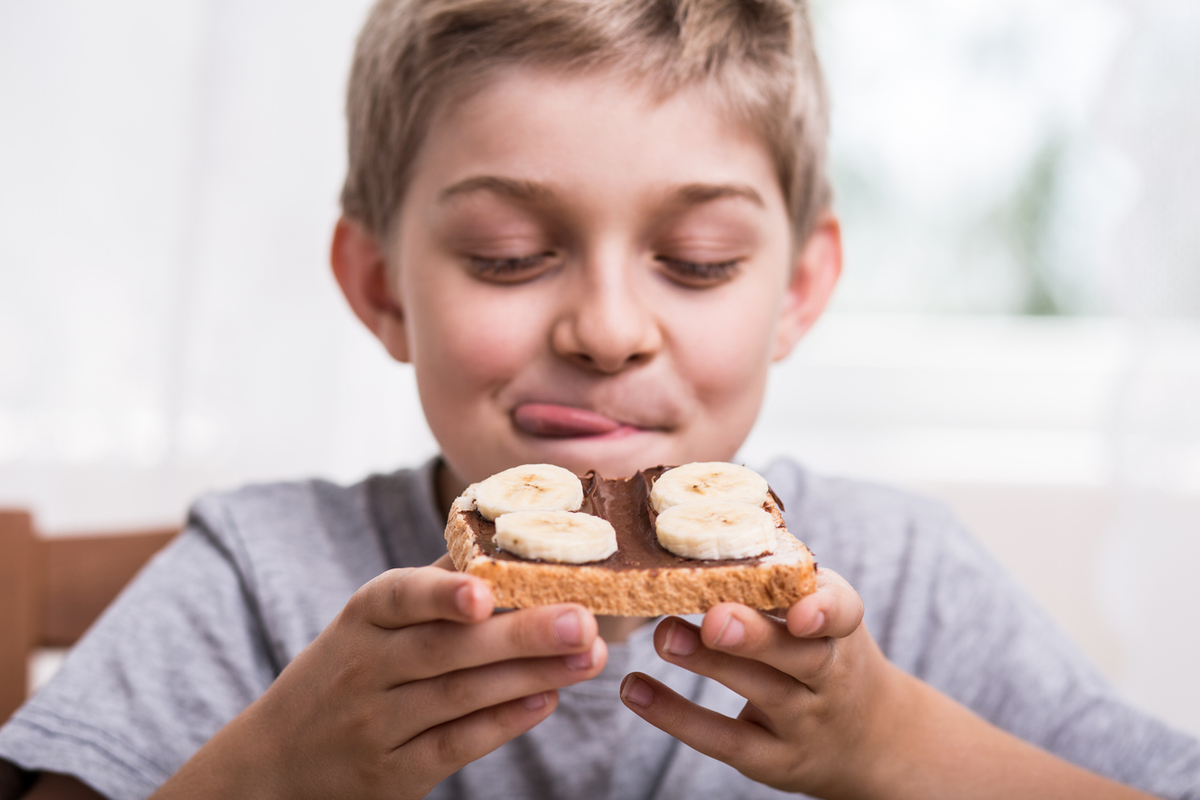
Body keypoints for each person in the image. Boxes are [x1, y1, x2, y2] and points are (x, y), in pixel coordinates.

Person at [2, 0, 1199, 798]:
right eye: (512, 253)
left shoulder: (909, 579)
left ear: (799, 286)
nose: (611, 329)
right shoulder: (259, 579)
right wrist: (266, 771)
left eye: (699, 261)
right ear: (379, 285)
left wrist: (891, 741)